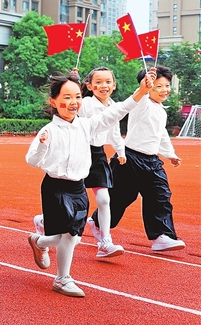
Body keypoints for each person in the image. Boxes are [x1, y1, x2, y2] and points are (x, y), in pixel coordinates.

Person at [26, 70, 154, 297]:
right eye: (66, 97)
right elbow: (32, 160)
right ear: (53, 101)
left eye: (76, 97)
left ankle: (41, 243)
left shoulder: (86, 126)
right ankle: (62, 277)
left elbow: (116, 111)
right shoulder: (49, 130)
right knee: (68, 235)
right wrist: (43, 146)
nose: (73, 102)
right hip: (55, 187)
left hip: (77, 187)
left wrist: (141, 92)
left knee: (73, 235)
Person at [90, 66, 186, 252]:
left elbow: (161, 135)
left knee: (161, 195)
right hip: (130, 159)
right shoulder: (142, 103)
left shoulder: (161, 111)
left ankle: (162, 236)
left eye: (167, 85)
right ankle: (97, 222)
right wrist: (144, 86)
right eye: (158, 86)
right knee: (120, 198)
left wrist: (170, 154)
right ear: (148, 87)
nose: (165, 89)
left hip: (152, 161)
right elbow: (140, 94)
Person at [71, 67, 126, 258]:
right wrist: (72, 82)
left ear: (114, 85)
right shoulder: (85, 103)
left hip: (98, 154)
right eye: (99, 82)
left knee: (104, 199)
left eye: (108, 82)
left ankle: (105, 242)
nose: (104, 86)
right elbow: (70, 109)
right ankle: (45, 222)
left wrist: (120, 150)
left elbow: (115, 132)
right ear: (89, 85)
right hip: (79, 151)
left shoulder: (114, 106)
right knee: (71, 199)